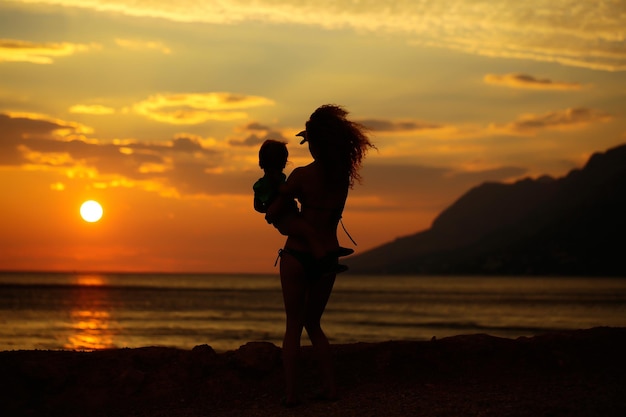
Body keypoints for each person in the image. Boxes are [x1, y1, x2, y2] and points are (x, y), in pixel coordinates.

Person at [265, 104, 375, 406]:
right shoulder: (342, 180)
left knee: (292, 328)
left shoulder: (301, 176)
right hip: (328, 259)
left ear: (316, 143)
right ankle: (331, 389)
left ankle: (291, 396)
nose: (308, 146)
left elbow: (272, 212)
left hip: (297, 256)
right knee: (313, 324)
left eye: (309, 141)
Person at [253, 139, 352, 273]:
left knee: (307, 232)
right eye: (284, 159)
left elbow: (259, 206)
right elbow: (279, 194)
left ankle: (325, 251)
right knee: (308, 232)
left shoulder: (274, 178)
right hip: (285, 219)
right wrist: (274, 207)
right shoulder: (274, 179)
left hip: (289, 216)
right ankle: (325, 260)